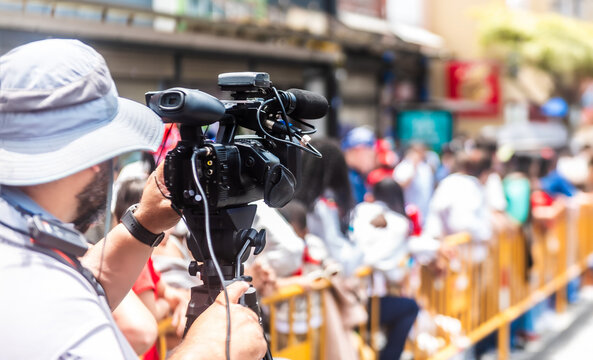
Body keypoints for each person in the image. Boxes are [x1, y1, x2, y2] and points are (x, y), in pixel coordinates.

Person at [0, 39, 266, 359]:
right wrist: (208, 351)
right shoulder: (58, 308)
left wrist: (145, 223)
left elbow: (83, 285)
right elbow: (59, 306)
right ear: (95, 157)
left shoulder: (20, 245)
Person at [341, 126, 377, 204]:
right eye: (371, 156)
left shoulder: (357, 175)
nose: (373, 160)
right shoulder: (346, 177)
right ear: (359, 151)